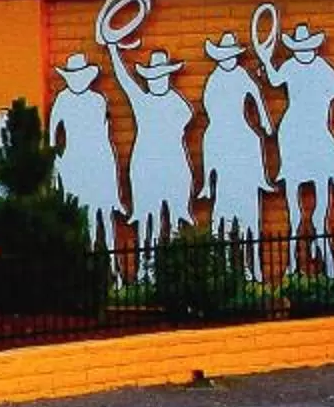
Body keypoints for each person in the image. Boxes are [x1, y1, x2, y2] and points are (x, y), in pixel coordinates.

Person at [257, 10, 334, 275]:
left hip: (316, 132)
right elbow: (274, 80)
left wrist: (320, 99)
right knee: (294, 212)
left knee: (321, 213)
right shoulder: (291, 67)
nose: (304, 52)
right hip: (293, 133)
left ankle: (328, 266)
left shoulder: (321, 67)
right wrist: (265, 58)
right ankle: (293, 265)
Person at [197, 31, 273, 276]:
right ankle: (208, 184)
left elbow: (257, 97)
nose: (227, 60)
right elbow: (208, 107)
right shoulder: (214, 79)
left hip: (241, 130)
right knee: (223, 211)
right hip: (220, 131)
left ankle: (254, 267)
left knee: (254, 141)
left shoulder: (242, 75)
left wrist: (265, 121)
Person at [110, 41, 196, 257]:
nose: (158, 81)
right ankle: (145, 268)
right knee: (148, 219)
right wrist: (112, 50)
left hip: (175, 164)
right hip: (145, 166)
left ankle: (177, 263)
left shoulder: (177, 102)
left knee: (176, 218)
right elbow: (124, 80)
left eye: (162, 76)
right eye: (154, 77)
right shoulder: (142, 101)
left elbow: (186, 118)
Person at [46, 53, 120, 250]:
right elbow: (52, 134)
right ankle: (83, 259)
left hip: (99, 160)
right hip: (72, 164)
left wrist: (109, 171)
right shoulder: (62, 99)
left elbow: (104, 134)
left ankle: (113, 264)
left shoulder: (98, 100)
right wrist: (55, 163)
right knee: (79, 215)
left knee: (104, 214)